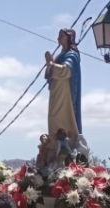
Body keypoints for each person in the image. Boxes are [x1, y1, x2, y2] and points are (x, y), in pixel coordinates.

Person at [45, 29, 82, 163]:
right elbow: (49, 74)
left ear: (69, 38)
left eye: (61, 36)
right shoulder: (61, 55)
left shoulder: (72, 54)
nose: (58, 38)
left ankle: (66, 148)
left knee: (57, 116)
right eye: (59, 35)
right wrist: (50, 65)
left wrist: (51, 64)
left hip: (64, 91)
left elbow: (66, 71)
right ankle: (54, 149)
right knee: (52, 117)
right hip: (56, 90)